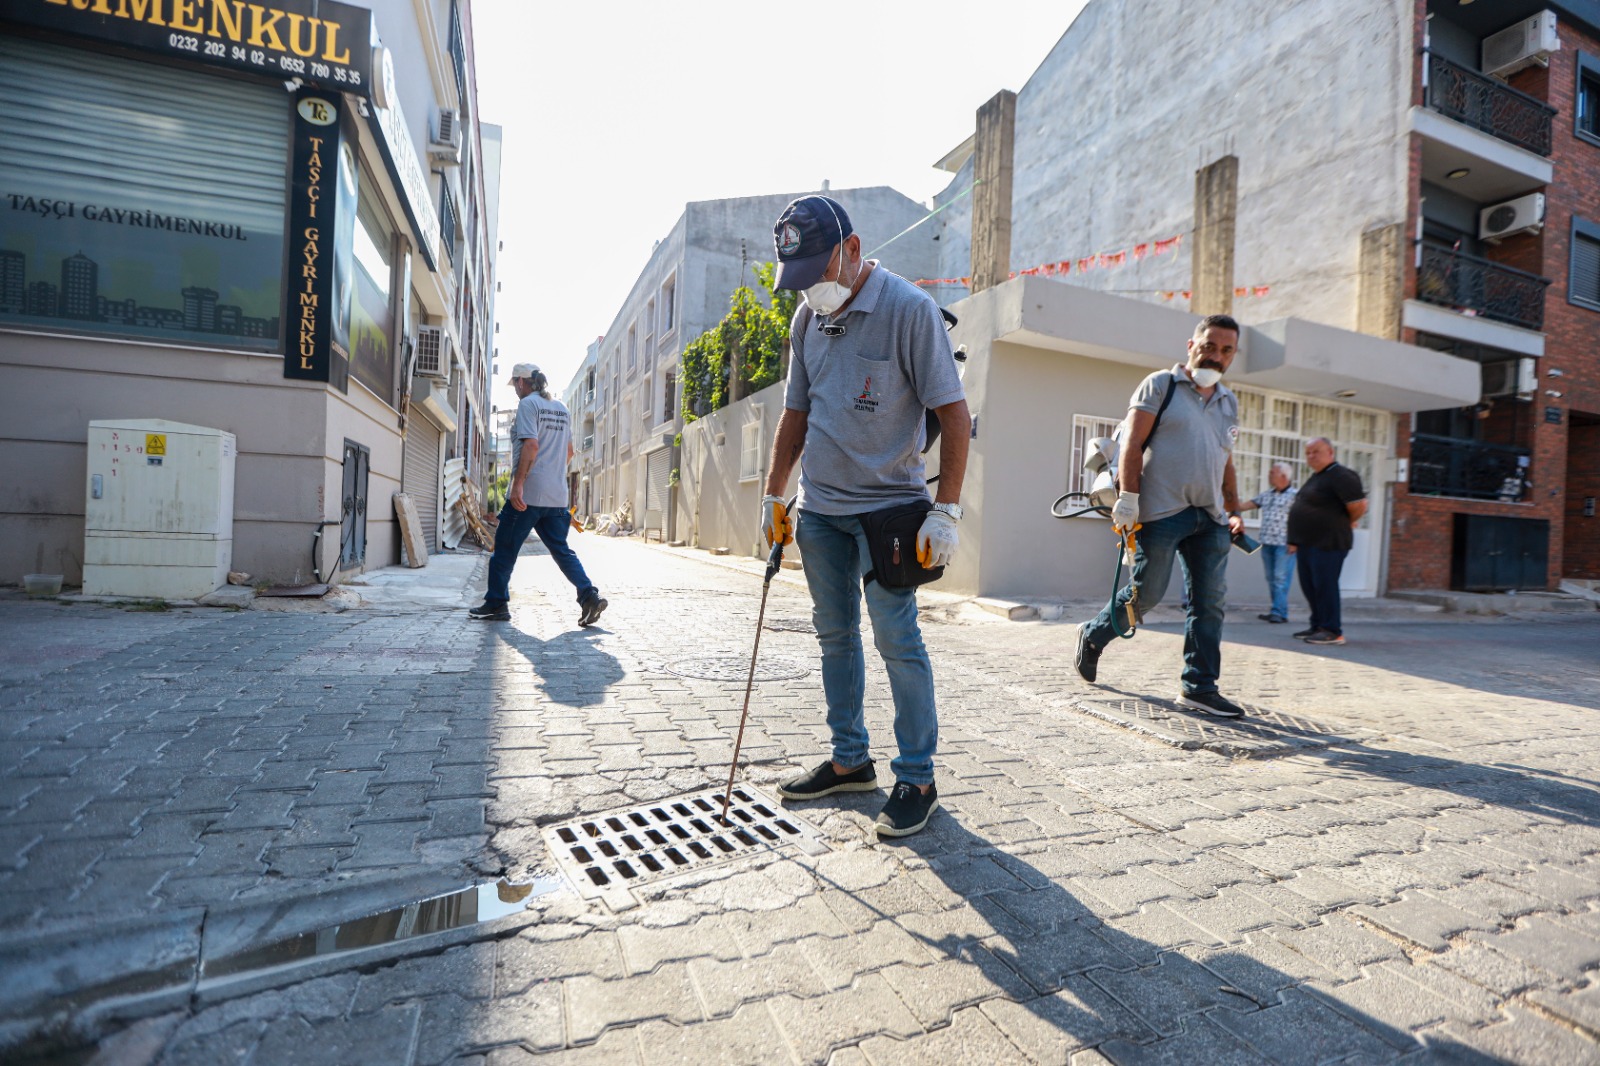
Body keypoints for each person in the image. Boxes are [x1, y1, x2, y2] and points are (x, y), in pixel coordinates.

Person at [761, 194, 970, 838]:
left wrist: (947, 512)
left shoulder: (908, 311)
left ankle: (919, 776)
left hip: (890, 514)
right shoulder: (805, 320)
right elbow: (796, 413)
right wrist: (774, 494)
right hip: (821, 511)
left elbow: (955, 418)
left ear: (851, 251)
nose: (812, 292)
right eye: (800, 282)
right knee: (834, 636)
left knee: (897, 641)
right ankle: (850, 761)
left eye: (819, 275)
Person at [1073, 314, 1248, 719]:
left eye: (1226, 350)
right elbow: (1133, 444)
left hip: (1210, 517)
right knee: (1146, 595)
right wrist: (1128, 499)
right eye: (1209, 346)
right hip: (1161, 512)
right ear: (1192, 344)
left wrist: (1234, 510)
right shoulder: (1160, 385)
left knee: (1210, 603)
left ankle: (1199, 687)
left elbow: (1226, 460)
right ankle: (1094, 634)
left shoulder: (1228, 401)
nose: (1216, 355)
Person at [469, 363, 607, 627]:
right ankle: (588, 595)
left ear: (522, 382)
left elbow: (531, 445)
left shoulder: (528, 405)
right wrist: (552, 476)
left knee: (504, 549)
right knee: (561, 550)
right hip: (556, 496)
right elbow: (569, 453)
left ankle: (497, 603)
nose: (516, 390)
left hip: (528, 495)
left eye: (515, 385)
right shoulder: (562, 408)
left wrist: (519, 485)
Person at [1288, 438, 1366, 646]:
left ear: (1330, 452)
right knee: (1310, 587)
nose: (1311, 456)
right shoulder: (1317, 477)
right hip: (1308, 543)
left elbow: (1359, 506)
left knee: (1325, 586)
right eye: (1308, 453)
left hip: (1329, 542)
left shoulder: (1342, 476)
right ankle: (1318, 625)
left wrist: (1343, 522)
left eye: (1316, 451)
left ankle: (1332, 630)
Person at [1236, 461, 1297, 623]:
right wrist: (1230, 502)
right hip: (1267, 543)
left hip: (1285, 544)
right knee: (1272, 578)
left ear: (1284, 476)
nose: (1269, 475)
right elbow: (1245, 506)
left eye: (1272, 472)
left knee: (1280, 578)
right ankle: (1277, 611)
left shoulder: (1295, 496)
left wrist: (1295, 541)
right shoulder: (1267, 494)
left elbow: (1302, 520)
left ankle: (1279, 612)